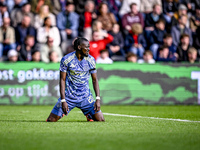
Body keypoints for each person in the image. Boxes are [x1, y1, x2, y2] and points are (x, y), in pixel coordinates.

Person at [46, 37, 105, 122]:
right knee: (51, 120)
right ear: (79, 47)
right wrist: (63, 100)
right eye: (87, 47)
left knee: (101, 120)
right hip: (69, 97)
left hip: (85, 97)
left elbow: (95, 80)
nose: (89, 49)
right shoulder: (66, 59)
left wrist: (98, 99)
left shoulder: (91, 60)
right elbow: (62, 80)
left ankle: (89, 115)